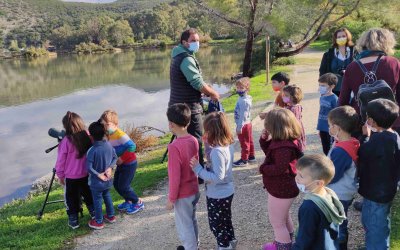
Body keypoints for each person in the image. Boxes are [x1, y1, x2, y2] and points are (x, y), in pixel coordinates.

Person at [169, 28, 220, 178]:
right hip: (189, 107)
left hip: (176, 105)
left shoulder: (178, 55)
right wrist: (212, 93)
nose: (197, 43)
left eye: (198, 40)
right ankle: (198, 175)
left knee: (182, 139)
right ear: (184, 42)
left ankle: (185, 171)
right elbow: (196, 81)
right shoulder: (186, 58)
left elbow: (190, 81)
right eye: (193, 41)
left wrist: (205, 90)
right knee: (195, 140)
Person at [338, 28, 400, 133]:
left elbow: (343, 100)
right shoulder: (393, 63)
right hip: (391, 120)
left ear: (363, 43)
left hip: (363, 123)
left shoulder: (352, 66)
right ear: (388, 43)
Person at [190, 112, 237, 250]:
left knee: (216, 224)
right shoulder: (227, 146)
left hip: (218, 194)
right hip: (227, 191)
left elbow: (218, 177)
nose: (205, 134)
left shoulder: (217, 152)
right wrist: (207, 146)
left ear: (212, 132)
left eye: (206, 131)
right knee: (226, 219)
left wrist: (198, 169)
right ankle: (231, 241)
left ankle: (224, 246)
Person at [358, 99, 400, 249]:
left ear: (372, 121)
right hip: (384, 190)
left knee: (375, 226)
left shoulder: (380, 141)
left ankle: (377, 246)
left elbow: (362, 154)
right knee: (376, 222)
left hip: (376, 192)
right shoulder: (392, 135)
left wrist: (365, 137)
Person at [259, 108, 303, 250]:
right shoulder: (285, 141)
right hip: (285, 187)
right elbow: (270, 153)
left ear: (274, 127)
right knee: (284, 217)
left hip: (282, 188)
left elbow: (278, 168)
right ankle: (288, 242)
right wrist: (264, 141)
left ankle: (282, 246)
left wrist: (262, 169)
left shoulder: (282, 147)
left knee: (277, 222)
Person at [165, 103, 201, 250]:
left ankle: (191, 247)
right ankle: (194, 244)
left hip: (182, 194)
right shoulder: (193, 139)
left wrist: (171, 199)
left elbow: (175, 176)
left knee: (184, 225)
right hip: (194, 188)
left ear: (171, 125)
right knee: (192, 219)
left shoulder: (174, 147)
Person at [292, 154, 346, 250]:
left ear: (319, 183)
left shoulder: (309, 207)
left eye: (301, 176)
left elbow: (304, 239)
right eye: (297, 173)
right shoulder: (330, 194)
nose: (296, 178)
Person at [326, 106, 360, 250]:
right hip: (345, 191)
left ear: (337, 127)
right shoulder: (350, 141)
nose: (328, 128)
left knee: (337, 225)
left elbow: (332, 175)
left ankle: (338, 246)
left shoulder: (342, 151)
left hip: (338, 194)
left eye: (329, 125)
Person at [100, 110, 144, 214]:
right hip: (121, 164)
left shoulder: (120, 134)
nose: (105, 127)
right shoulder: (108, 135)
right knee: (116, 184)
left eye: (108, 125)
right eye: (103, 125)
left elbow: (132, 146)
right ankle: (128, 200)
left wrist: (122, 158)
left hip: (129, 163)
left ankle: (137, 202)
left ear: (116, 124)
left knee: (124, 186)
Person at [55, 111, 94, 229]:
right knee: (88, 194)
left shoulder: (66, 141)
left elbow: (60, 161)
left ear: (66, 127)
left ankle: (73, 218)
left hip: (71, 177)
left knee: (71, 197)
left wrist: (60, 175)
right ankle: (94, 212)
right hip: (87, 173)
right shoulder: (88, 136)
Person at [86, 120, 117, 230]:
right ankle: (111, 216)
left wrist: (98, 175)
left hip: (96, 182)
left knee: (97, 200)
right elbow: (115, 158)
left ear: (91, 136)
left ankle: (98, 221)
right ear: (104, 133)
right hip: (108, 180)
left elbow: (89, 167)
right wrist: (110, 167)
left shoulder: (92, 150)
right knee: (107, 196)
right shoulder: (108, 145)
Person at [319, 27, 355, 96]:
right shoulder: (328, 54)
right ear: (335, 39)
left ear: (348, 37)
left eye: (343, 36)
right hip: (333, 91)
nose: (341, 38)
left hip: (352, 90)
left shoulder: (355, 52)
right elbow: (322, 72)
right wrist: (323, 89)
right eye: (339, 37)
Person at [233, 77, 256, 167]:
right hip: (247, 123)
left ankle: (244, 159)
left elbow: (243, 115)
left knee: (244, 142)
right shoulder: (247, 98)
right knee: (249, 140)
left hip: (243, 124)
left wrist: (239, 127)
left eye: (241, 88)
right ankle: (251, 156)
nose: (239, 90)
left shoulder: (243, 101)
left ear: (247, 88)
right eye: (237, 88)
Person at [317, 73, 338, 155]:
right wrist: (319, 128)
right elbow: (321, 112)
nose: (320, 87)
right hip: (322, 127)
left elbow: (336, 115)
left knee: (331, 149)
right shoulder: (322, 97)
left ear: (332, 86)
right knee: (325, 148)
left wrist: (335, 129)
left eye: (323, 85)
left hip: (330, 129)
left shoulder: (334, 99)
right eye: (320, 85)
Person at [282, 85, 306, 151]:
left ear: (293, 97)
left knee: (294, 143)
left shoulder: (292, 108)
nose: (284, 97)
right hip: (297, 127)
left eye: (286, 95)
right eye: (283, 95)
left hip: (293, 128)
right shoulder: (297, 106)